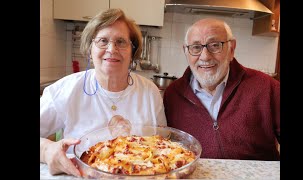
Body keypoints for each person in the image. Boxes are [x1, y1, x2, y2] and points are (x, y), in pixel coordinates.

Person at [40, 8, 167, 177]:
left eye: (121, 42)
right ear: (89, 49)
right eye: (103, 41)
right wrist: (47, 150)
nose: (112, 48)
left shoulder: (150, 92)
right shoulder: (65, 90)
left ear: (132, 52)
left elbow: (163, 146)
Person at [163, 18, 280, 161]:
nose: (205, 56)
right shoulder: (172, 95)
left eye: (215, 45)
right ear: (186, 51)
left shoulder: (267, 88)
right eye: (196, 47)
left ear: (231, 49)